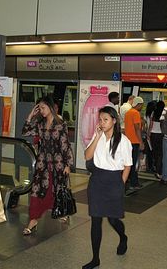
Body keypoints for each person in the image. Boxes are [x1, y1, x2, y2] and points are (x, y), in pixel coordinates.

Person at [83, 106, 132, 269]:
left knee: (112, 219)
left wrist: (121, 184)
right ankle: (95, 258)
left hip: (114, 181)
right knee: (95, 220)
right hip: (97, 180)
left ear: (114, 121)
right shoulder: (98, 136)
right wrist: (97, 137)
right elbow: (87, 156)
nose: (102, 123)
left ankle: (123, 237)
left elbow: (127, 166)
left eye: (106, 120)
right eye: (100, 120)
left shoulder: (123, 141)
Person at [22, 96, 74, 235]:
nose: (42, 111)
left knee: (57, 189)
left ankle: (61, 211)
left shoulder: (60, 124)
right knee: (37, 190)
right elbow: (25, 132)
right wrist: (30, 116)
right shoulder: (40, 123)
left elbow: (65, 145)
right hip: (42, 164)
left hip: (58, 164)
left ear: (50, 107)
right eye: (39, 108)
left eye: (43, 108)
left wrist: (68, 164)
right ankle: (33, 220)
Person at [124, 96, 144, 189]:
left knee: (128, 163)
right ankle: (134, 183)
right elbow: (137, 128)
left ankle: (128, 181)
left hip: (128, 141)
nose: (142, 107)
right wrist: (141, 142)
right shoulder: (136, 113)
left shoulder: (128, 113)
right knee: (134, 163)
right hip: (134, 141)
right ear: (138, 104)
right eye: (141, 105)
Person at [147, 101, 165, 179]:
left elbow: (151, 125)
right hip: (161, 135)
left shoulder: (153, 113)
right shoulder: (164, 114)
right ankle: (159, 171)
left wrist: (148, 133)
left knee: (155, 153)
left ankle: (156, 169)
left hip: (153, 134)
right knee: (161, 154)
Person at [144, 100, 157, 173]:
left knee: (149, 152)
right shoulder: (154, 114)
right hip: (152, 134)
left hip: (148, 135)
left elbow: (145, 126)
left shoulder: (146, 115)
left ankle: (149, 166)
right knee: (153, 152)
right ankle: (152, 166)